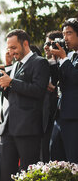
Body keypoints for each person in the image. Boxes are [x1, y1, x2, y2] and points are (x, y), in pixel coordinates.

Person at [0, 29, 49, 181]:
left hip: (28, 128)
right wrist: (4, 86)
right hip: (8, 127)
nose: (12, 52)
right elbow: (14, 97)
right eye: (9, 48)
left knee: (27, 175)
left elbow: (38, 91)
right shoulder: (15, 65)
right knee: (5, 174)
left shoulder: (39, 63)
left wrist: (12, 82)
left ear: (25, 44)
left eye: (14, 47)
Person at [47, 18, 78, 163]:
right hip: (60, 115)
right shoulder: (70, 57)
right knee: (56, 157)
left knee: (73, 160)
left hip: (74, 117)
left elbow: (75, 78)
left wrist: (64, 58)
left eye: (69, 33)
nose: (65, 38)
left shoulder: (68, 58)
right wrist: (54, 60)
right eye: (64, 34)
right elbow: (56, 81)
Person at [41, 31, 63, 162]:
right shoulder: (43, 65)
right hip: (45, 121)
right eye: (45, 43)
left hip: (61, 119)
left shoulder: (65, 63)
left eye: (49, 44)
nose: (45, 47)